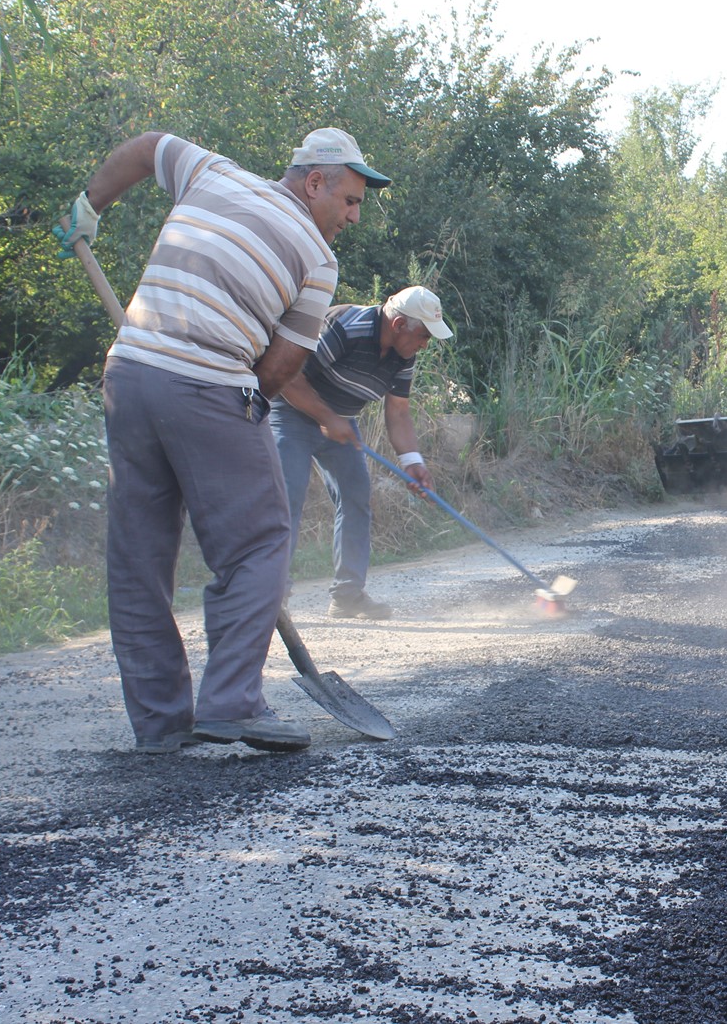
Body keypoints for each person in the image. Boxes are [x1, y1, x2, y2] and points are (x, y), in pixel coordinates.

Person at [53, 126, 390, 755]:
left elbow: (150, 145)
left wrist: (89, 204)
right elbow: (284, 363)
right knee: (261, 543)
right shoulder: (318, 260)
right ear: (314, 180)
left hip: (129, 376)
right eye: (349, 200)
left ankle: (160, 723)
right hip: (208, 384)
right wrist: (247, 403)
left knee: (139, 557)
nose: (350, 217)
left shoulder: (212, 172)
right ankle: (233, 703)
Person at [270, 286, 453, 620]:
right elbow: (287, 374)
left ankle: (348, 597)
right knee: (287, 499)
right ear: (399, 325)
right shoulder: (347, 327)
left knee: (356, 499)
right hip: (290, 413)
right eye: (424, 335)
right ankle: (271, 598)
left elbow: (398, 413)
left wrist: (412, 462)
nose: (425, 345)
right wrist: (326, 417)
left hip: (341, 422)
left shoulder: (404, 355)